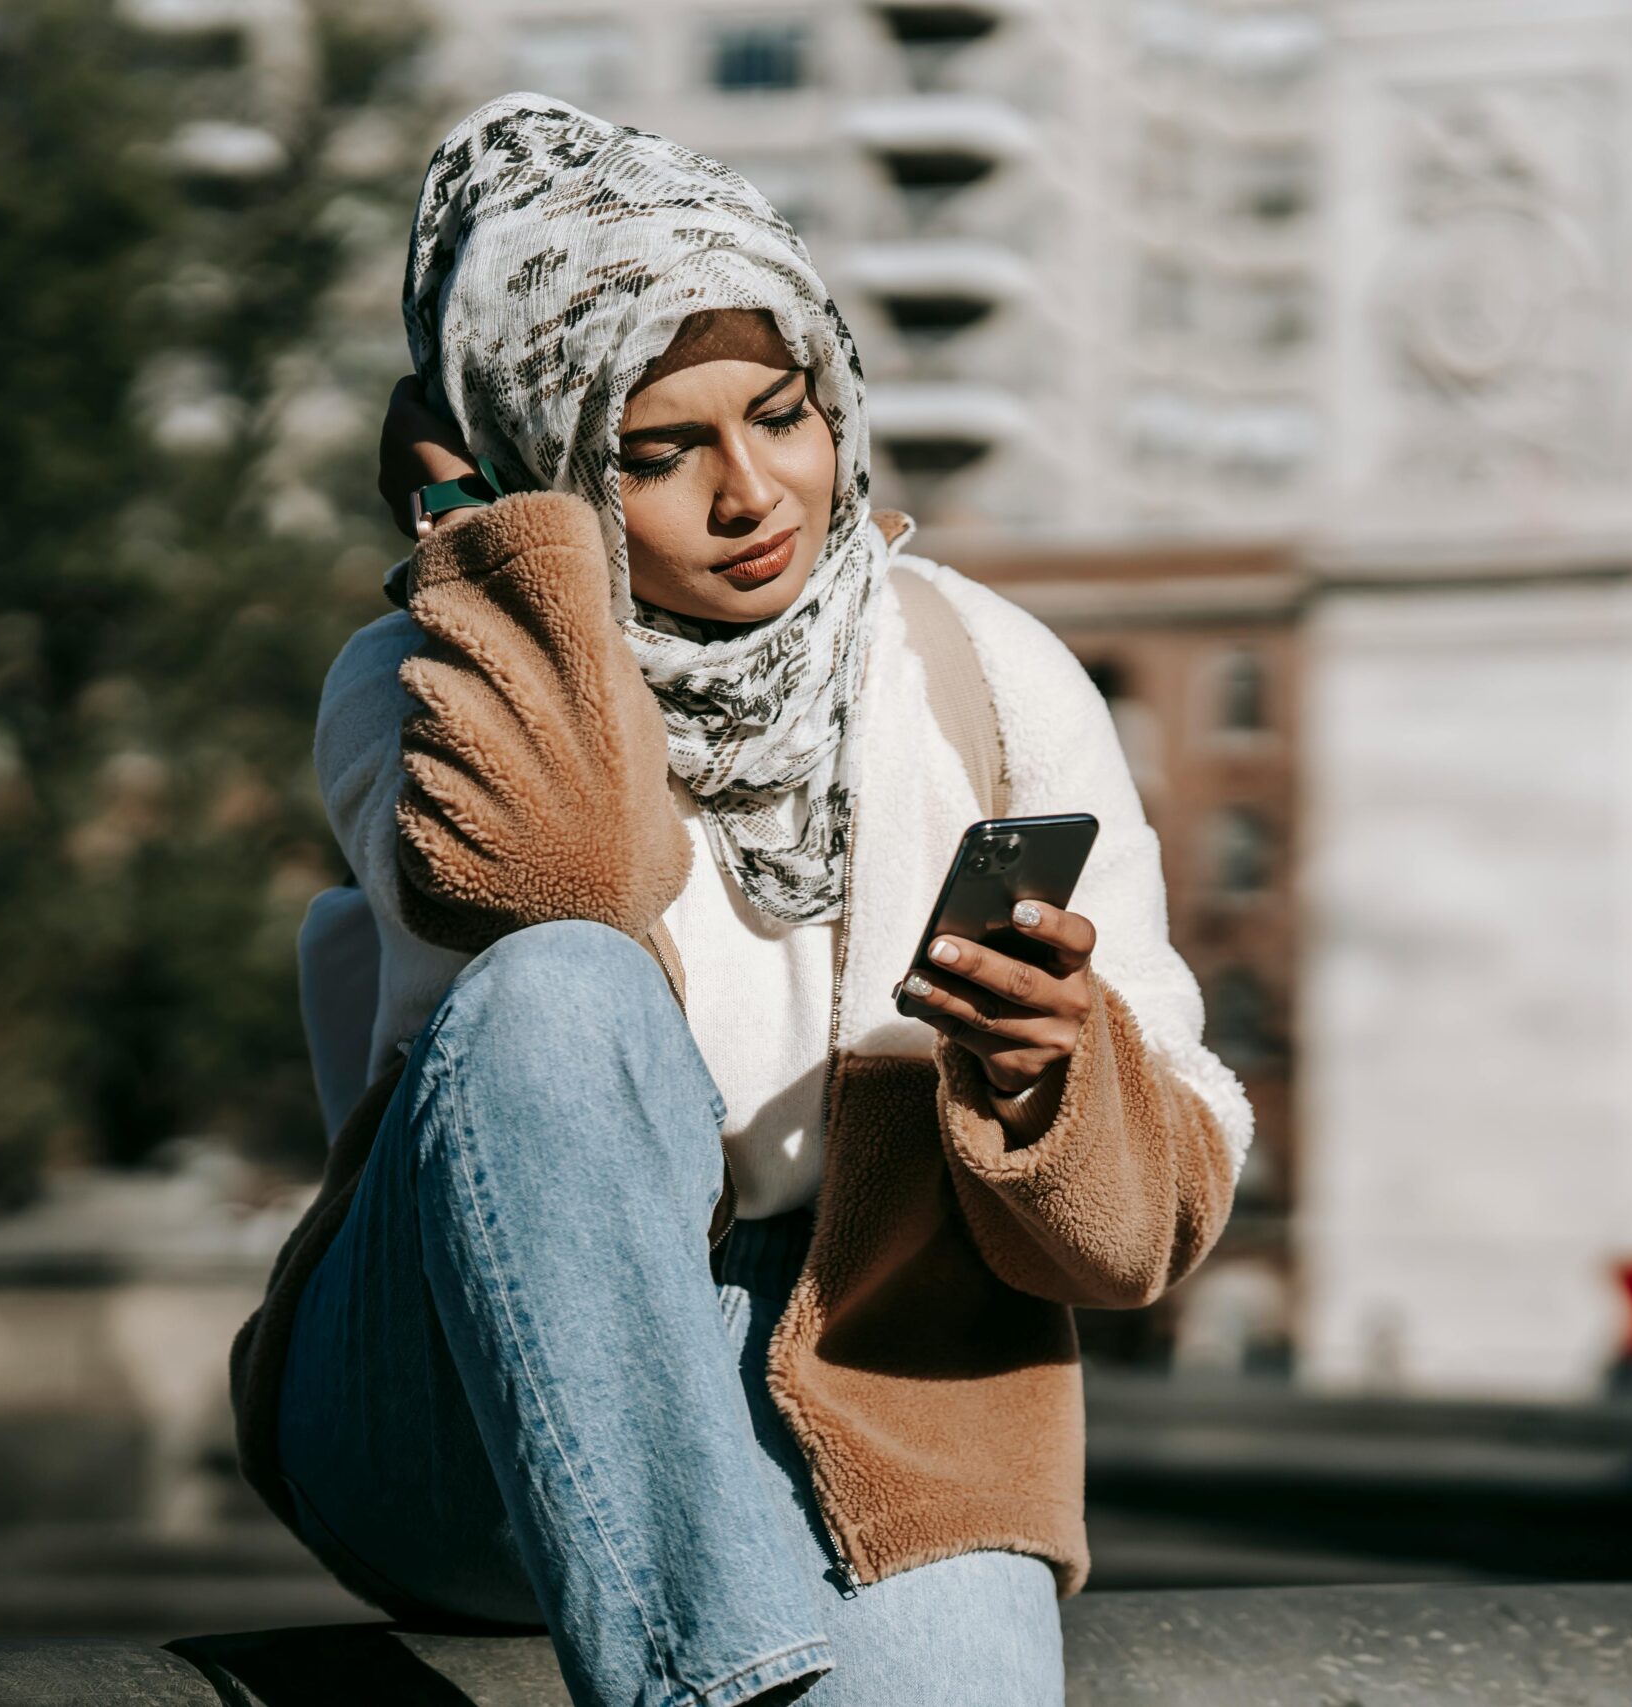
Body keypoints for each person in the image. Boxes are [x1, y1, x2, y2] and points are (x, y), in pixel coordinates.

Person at [227, 95, 1251, 1707]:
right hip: (462, 1390)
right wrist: (488, 544)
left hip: (887, 1379)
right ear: (533, 454)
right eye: (654, 453)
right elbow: (550, 888)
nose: (755, 491)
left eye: (784, 413)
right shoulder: (419, 674)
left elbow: (1144, 1243)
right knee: (560, 986)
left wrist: (1056, 1074)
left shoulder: (990, 672)